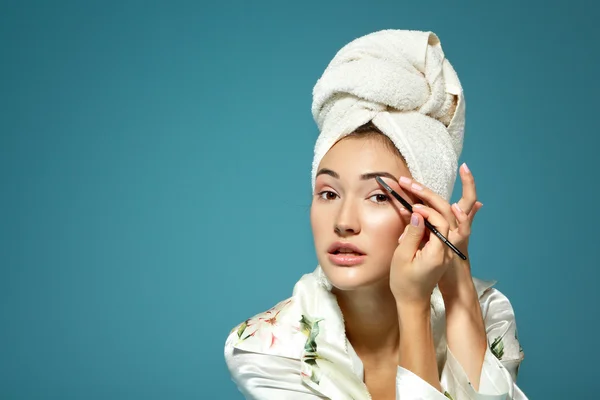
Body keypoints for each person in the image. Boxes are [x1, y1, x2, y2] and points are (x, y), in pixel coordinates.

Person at [224, 29, 527, 400]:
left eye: (379, 197)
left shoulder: (486, 311)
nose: (344, 221)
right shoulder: (267, 348)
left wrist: (455, 280)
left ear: (428, 214)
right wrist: (413, 307)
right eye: (329, 193)